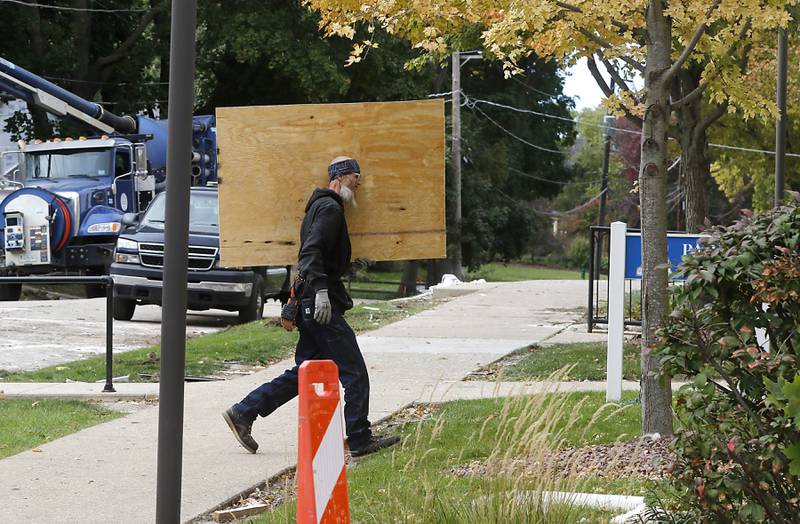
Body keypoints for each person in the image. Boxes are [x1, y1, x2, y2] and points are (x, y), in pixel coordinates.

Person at [222, 156, 400, 457]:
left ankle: (244, 411)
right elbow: (311, 252)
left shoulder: (320, 207)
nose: (358, 184)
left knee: (306, 372)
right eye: (356, 178)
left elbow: (318, 254)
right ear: (340, 178)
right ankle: (359, 439)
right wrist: (320, 292)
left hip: (311, 302)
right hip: (319, 306)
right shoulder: (330, 208)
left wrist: (343, 265)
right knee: (355, 372)